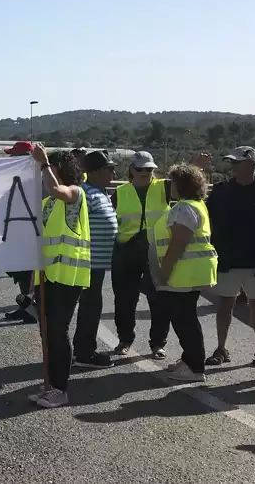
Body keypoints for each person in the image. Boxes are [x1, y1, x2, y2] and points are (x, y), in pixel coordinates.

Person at [204, 146, 255, 370]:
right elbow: (209, 220)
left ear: (252, 165)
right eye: (232, 162)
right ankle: (221, 349)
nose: (233, 166)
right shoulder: (220, 191)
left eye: (237, 162)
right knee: (225, 303)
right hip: (227, 258)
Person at [29, 144, 90, 409]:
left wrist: (42, 163)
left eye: (50, 168)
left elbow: (57, 189)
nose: (46, 172)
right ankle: (51, 385)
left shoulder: (75, 194)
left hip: (67, 275)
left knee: (57, 331)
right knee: (47, 332)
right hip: (47, 276)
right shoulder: (47, 203)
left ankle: (60, 388)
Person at [149, 164, 218, 382]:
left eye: (173, 182)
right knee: (184, 318)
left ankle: (195, 367)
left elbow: (178, 243)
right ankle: (189, 359)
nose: (170, 186)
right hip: (190, 272)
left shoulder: (184, 209)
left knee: (184, 320)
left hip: (183, 273)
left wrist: (163, 272)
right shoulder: (194, 205)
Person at [111, 151, 172, 359]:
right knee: (125, 299)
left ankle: (158, 344)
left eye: (149, 169)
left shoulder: (165, 187)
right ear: (131, 170)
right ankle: (124, 340)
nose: (145, 172)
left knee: (159, 299)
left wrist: (198, 166)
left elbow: (190, 190)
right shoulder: (120, 193)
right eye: (140, 169)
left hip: (155, 251)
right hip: (126, 251)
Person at [72, 149, 118, 369]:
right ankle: (84, 353)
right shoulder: (85, 193)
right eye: (110, 169)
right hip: (87, 263)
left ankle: (84, 349)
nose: (113, 173)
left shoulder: (101, 192)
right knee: (90, 307)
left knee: (92, 306)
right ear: (97, 171)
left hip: (97, 264)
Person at [2, 140, 39, 323]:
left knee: (28, 275)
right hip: (17, 233)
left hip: (29, 235)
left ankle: (31, 309)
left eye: (14, 155)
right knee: (22, 274)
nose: (10, 158)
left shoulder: (35, 179)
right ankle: (26, 307)